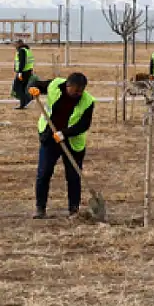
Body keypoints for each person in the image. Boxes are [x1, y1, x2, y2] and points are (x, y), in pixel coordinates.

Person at [29, 72, 96, 219]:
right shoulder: (55, 85)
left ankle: (74, 210)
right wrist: (33, 89)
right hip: (49, 137)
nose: (78, 93)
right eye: (75, 90)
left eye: (81, 90)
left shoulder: (88, 101)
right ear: (68, 85)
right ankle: (40, 208)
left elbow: (84, 125)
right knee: (44, 173)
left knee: (73, 176)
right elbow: (37, 84)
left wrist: (64, 133)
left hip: (72, 142)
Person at [12, 39, 35, 110]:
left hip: (23, 72)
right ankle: (23, 103)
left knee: (17, 88)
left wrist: (20, 72)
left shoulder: (22, 51)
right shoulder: (27, 50)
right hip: (27, 71)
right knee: (22, 88)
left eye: (15, 44)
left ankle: (26, 100)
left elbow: (22, 62)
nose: (14, 45)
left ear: (19, 44)